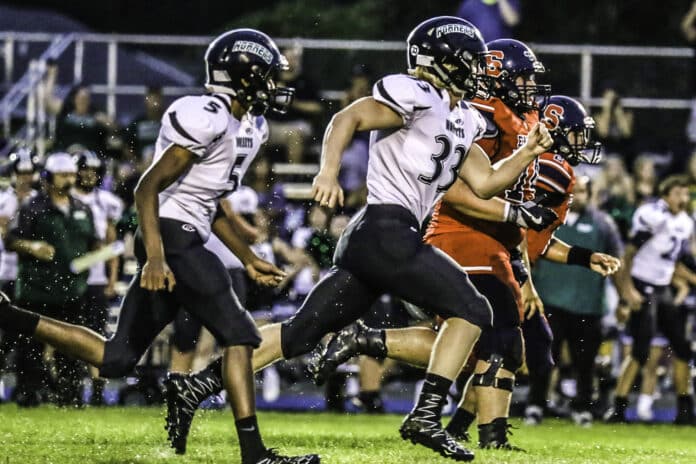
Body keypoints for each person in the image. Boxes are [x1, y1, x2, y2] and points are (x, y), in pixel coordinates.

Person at [163, 16, 555, 462]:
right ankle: (426, 416)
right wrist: (328, 172)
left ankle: (196, 386)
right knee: (472, 311)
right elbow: (346, 117)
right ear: (444, 62)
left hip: (377, 238)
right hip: (387, 228)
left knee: (301, 333)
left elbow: (484, 182)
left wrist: (528, 152)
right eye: (470, 60)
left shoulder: (463, 116)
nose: (478, 69)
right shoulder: (418, 93)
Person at [0, 29, 320, 464]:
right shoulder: (209, 115)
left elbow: (210, 205)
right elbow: (147, 188)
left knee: (116, 358)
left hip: (183, 233)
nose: (273, 85)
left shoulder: (250, 126)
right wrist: (154, 256)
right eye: (265, 76)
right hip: (170, 235)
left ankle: (9, 315)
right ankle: (254, 454)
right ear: (242, 77)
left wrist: (247, 257)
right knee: (241, 335)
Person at [4, 152, 97, 407]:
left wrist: (94, 258)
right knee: (30, 347)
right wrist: (33, 247)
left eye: (70, 174)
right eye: (62, 175)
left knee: (72, 347)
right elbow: (11, 240)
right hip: (37, 289)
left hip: (72, 290)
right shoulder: (32, 207)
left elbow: (93, 245)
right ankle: (29, 394)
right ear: (48, 178)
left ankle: (70, 396)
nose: (68, 179)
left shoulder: (83, 209)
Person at [531, 175, 624, 427]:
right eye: (574, 191)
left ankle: (583, 406)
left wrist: (625, 298)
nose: (578, 196)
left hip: (587, 303)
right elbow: (529, 253)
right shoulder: (545, 217)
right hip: (548, 298)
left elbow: (617, 262)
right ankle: (535, 404)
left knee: (585, 361)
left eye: (582, 191)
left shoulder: (603, 223)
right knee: (544, 356)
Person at [605, 175, 696, 425]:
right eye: (677, 194)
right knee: (640, 350)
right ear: (665, 196)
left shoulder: (685, 222)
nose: (683, 198)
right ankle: (618, 408)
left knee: (683, 348)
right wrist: (627, 291)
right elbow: (628, 254)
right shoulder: (653, 215)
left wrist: (685, 282)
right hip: (642, 284)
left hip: (663, 288)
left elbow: (671, 261)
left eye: (685, 194)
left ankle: (684, 409)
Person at [70, 150, 124, 405]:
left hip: (94, 278)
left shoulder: (105, 202)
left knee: (96, 334)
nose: (89, 174)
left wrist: (112, 278)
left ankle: (98, 391)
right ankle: (66, 386)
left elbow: (113, 246)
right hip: (69, 279)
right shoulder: (65, 199)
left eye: (93, 169)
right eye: (84, 169)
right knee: (66, 333)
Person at [456, 0, 521, 42]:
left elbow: (512, 21)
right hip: (477, 52)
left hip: (502, 50)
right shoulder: (469, 4)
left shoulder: (509, 2)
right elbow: (460, 31)